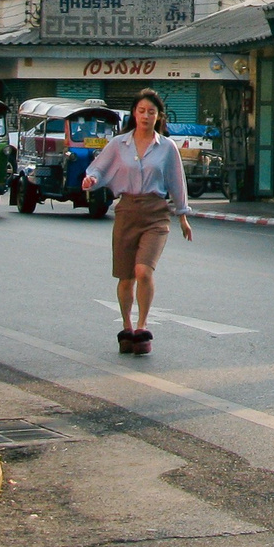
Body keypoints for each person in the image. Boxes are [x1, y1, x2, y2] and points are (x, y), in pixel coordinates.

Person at [84, 88, 192, 353]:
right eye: (141, 111)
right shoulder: (119, 144)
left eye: (151, 112)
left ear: (158, 117)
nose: (146, 116)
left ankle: (143, 327)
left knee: (143, 271)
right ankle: (127, 327)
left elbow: (177, 181)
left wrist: (183, 216)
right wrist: (92, 179)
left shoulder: (166, 147)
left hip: (155, 213)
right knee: (125, 276)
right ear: (134, 113)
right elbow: (99, 167)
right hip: (127, 210)